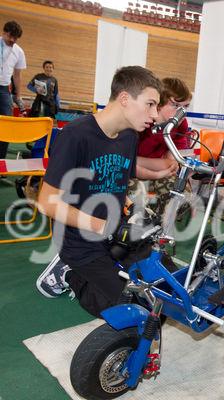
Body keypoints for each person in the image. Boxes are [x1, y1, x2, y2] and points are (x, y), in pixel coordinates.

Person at [35, 66, 163, 318]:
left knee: (165, 291)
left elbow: (115, 181)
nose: (155, 115)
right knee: (134, 310)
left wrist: (133, 208)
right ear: (125, 98)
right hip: (81, 242)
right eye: (150, 104)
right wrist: (100, 226)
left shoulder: (129, 136)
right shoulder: (75, 135)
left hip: (116, 233)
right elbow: (47, 203)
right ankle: (68, 272)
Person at [129, 77, 195, 216]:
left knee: (183, 197)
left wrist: (138, 160)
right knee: (139, 201)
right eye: (176, 106)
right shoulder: (142, 121)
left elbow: (172, 163)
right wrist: (158, 168)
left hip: (161, 173)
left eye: (186, 107)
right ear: (160, 103)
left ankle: (159, 229)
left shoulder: (181, 124)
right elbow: (127, 163)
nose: (181, 112)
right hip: (133, 174)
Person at [0, 20, 26, 158]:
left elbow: (17, 75)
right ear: (4, 32)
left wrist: (18, 96)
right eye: (11, 36)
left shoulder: (19, 52)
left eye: (16, 38)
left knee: (6, 125)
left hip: (4, 90)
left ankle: (1, 161)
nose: (13, 40)